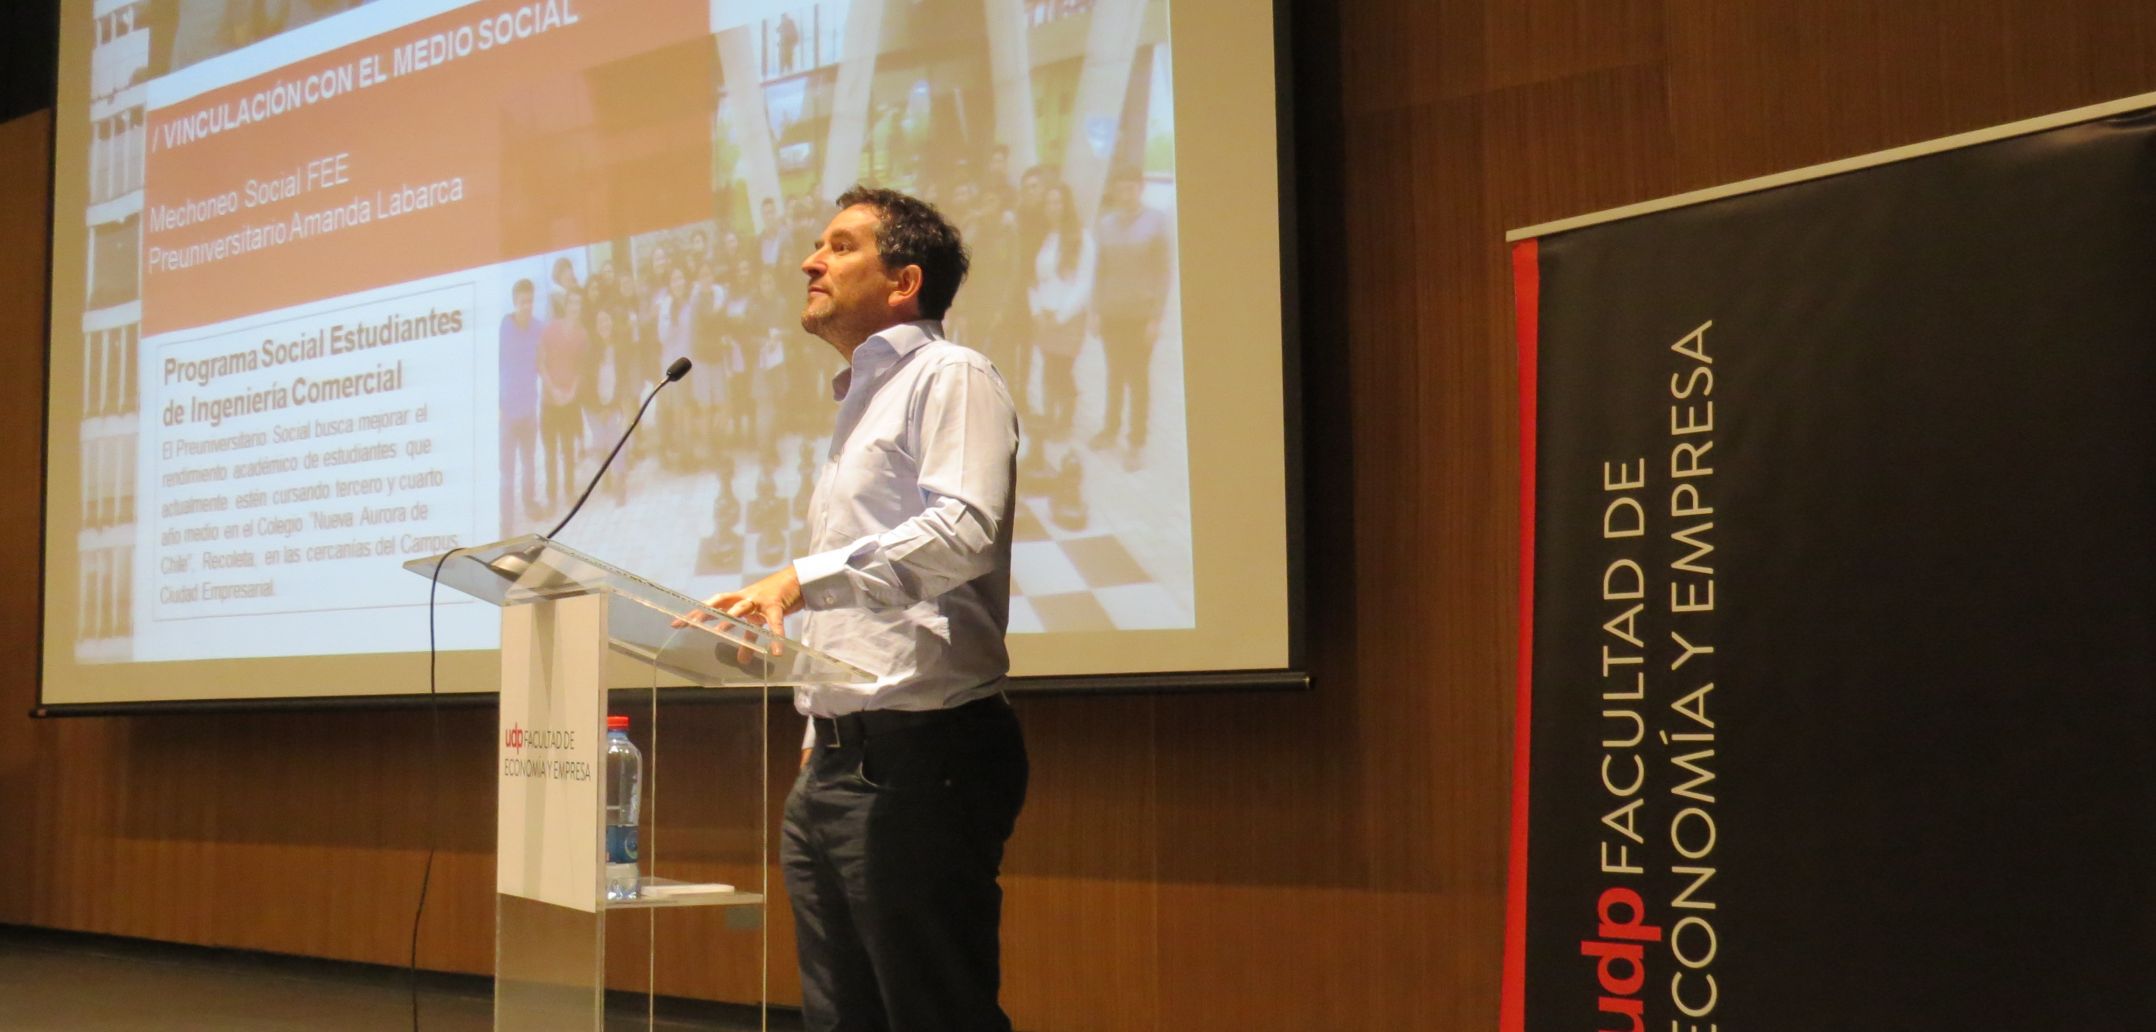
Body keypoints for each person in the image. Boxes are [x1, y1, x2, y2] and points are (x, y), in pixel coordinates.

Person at [694, 186, 1024, 1032]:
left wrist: (798, 582)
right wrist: (820, 734)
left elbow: (964, 532)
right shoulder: (862, 400)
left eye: (840, 247)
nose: (811, 262)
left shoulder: (950, 374)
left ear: (904, 282)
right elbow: (866, 612)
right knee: (841, 1018)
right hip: (839, 761)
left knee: (933, 1013)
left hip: (924, 757)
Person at [1089, 169, 1171, 459]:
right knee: (1114, 374)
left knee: (1138, 379)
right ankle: (1110, 429)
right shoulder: (1106, 224)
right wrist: (1095, 312)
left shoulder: (1156, 222)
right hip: (1112, 313)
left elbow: (1162, 274)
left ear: (1141, 188)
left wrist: (1155, 319)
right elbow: (1099, 271)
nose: (1125, 195)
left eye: (1131, 188)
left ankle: (1136, 441)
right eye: (1121, 189)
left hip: (1141, 316)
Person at [498, 279, 544, 528]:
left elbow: (545, 359)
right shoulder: (503, 330)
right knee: (507, 473)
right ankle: (506, 521)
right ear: (515, 303)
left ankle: (529, 502)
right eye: (522, 302)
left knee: (528, 463)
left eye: (530, 301)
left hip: (529, 411)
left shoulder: (538, 328)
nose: (527, 306)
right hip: (506, 414)